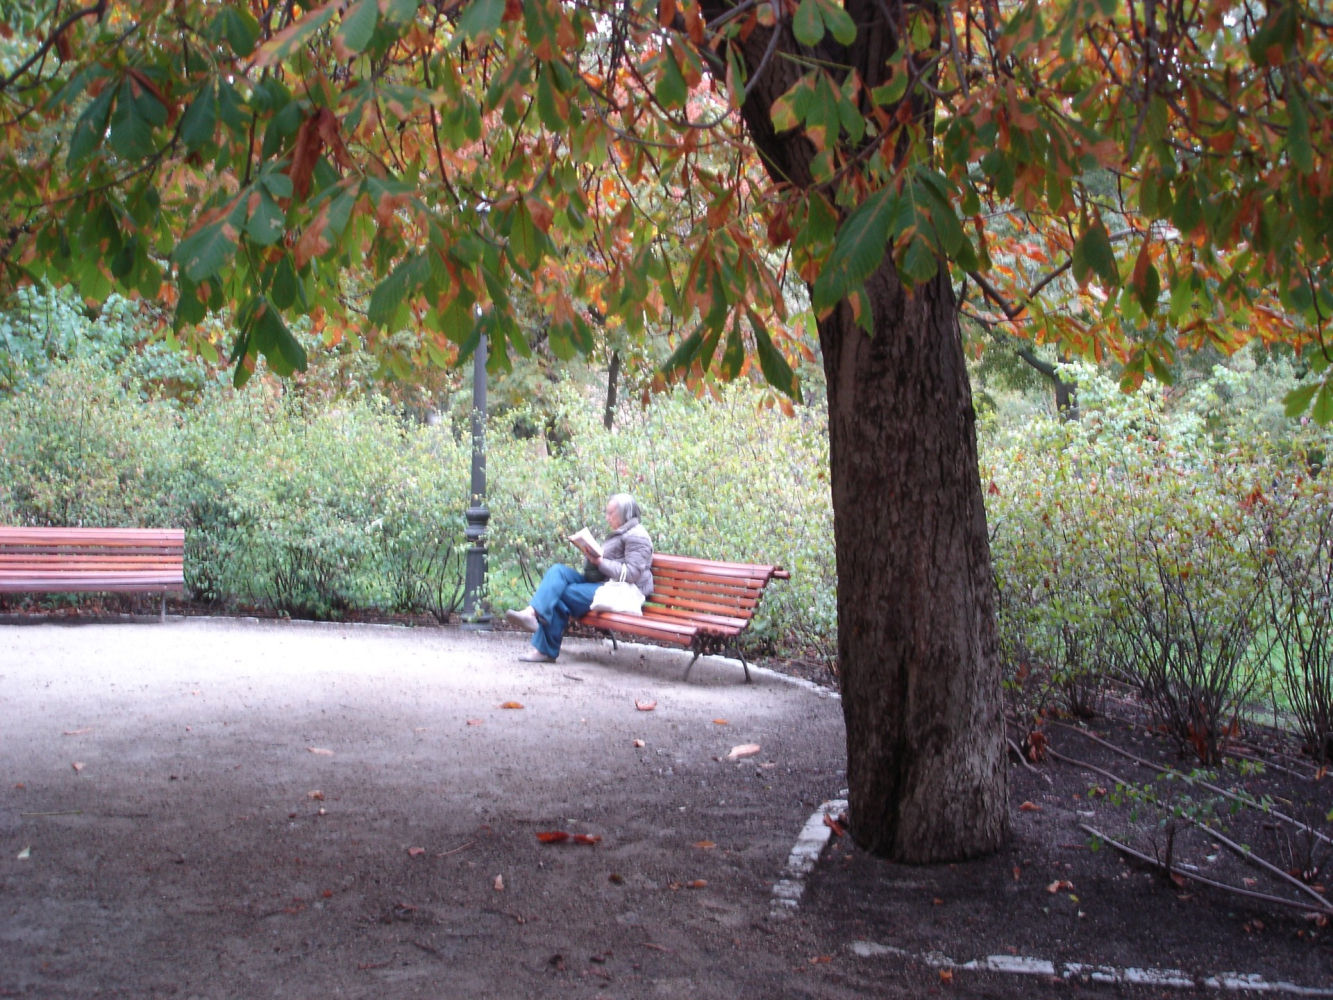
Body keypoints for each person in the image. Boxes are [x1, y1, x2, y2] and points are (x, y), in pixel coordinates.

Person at [505, 493, 654, 662]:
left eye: (610, 513)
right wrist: (591, 555)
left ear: (625, 514)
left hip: (622, 591)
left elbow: (632, 574)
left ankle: (544, 651)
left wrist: (600, 562)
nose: (607, 518)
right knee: (558, 571)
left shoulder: (637, 536)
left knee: (562, 595)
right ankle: (531, 613)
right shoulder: (621, 532)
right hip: (605, 583)